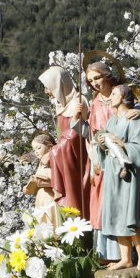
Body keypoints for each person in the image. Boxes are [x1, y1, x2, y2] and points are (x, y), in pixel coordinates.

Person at [92, 84, 140, 270]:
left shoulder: (133, 118)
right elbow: (103, 146)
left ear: (124, 96)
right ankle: (125, 259)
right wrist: (101, 144)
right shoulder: (111, 121)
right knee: (117, 214)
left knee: (130, 215)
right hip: (112, 171)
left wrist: (122, 143)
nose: (109, 97)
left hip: (128, 173)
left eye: (114, 94)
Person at [38, 65, 89, 219]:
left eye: (49, 87)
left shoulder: (78, 102)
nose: (47, 92)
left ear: (58, 85)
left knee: (77, 200)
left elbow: (75, 135)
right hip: (66, 159)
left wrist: (53, 152)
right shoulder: (62, 104)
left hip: (77, 160)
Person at [24, 133, 61, 226]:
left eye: (39, 148)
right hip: (41, 198)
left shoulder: (51, 160)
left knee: (51, 222)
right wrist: (29, 188)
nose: (36, 151)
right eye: (34, 149)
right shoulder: (41, 163)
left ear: (49, 146)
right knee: (42, 224)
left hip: (50, 197)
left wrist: (39, 181)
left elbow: (57, 178)